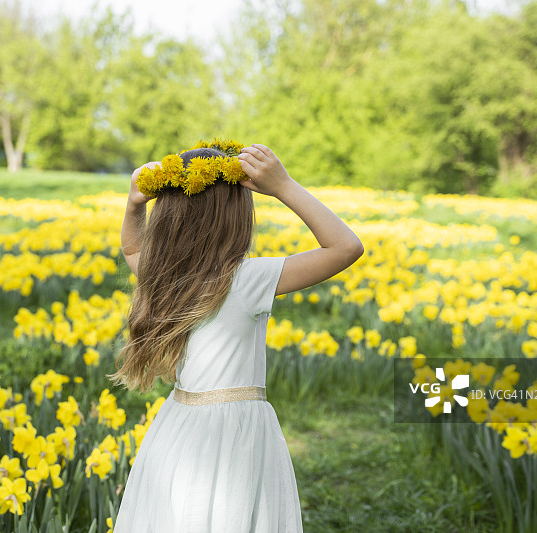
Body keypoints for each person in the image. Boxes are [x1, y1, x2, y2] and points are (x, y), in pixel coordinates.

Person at [108, 141, 364, 532]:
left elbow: (132, 247)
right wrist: (284, 186)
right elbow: (346, 247)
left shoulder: (167, 277)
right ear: (235, 218)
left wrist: (133, 203)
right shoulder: (246, 280)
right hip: (237, 433)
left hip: (178, 425)